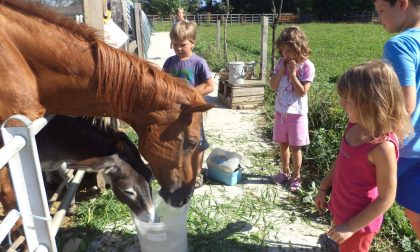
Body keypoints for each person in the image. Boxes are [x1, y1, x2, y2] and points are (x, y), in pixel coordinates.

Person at [314, 61, 413, 251]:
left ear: (371, 104)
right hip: (342, 212)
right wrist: (324, 187)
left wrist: (350, 227)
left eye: (347, 100)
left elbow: (386, 198)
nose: (342, 103)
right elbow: (341, 161)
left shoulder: (382, 147)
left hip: (359, 225)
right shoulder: (354, 125)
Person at [373, 0, 420, 239]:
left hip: (409, 149)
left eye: (381, 10)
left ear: (402, 3)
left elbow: (405, 105)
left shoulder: (400, 45)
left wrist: (373, 137)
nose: (380, 18)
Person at [163, 20, 215, 188]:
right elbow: (163, 82)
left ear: (193, 43)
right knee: (178, 140)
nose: (178, 48)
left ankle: (198, 172)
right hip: (175, 111)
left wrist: (189, 94)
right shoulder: (170, 63)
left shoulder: (198, 62)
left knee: (197, 142)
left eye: (183, 44)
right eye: (175, 44)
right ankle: (180, 168)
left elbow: (209, 85)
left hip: (193, 111)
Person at [269, 26, 315, 192]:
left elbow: (302, 92)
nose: (285, 55)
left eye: (288, 51)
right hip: (281, 111)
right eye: (282, 51)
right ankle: (285, 172)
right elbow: (273, 86)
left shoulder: (307, 66)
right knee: (283, 145)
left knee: (296, 148)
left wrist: (293, 74)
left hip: (297, 114)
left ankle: (296, 176)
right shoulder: (281, 63)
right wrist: (282, 70)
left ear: (298, 48)